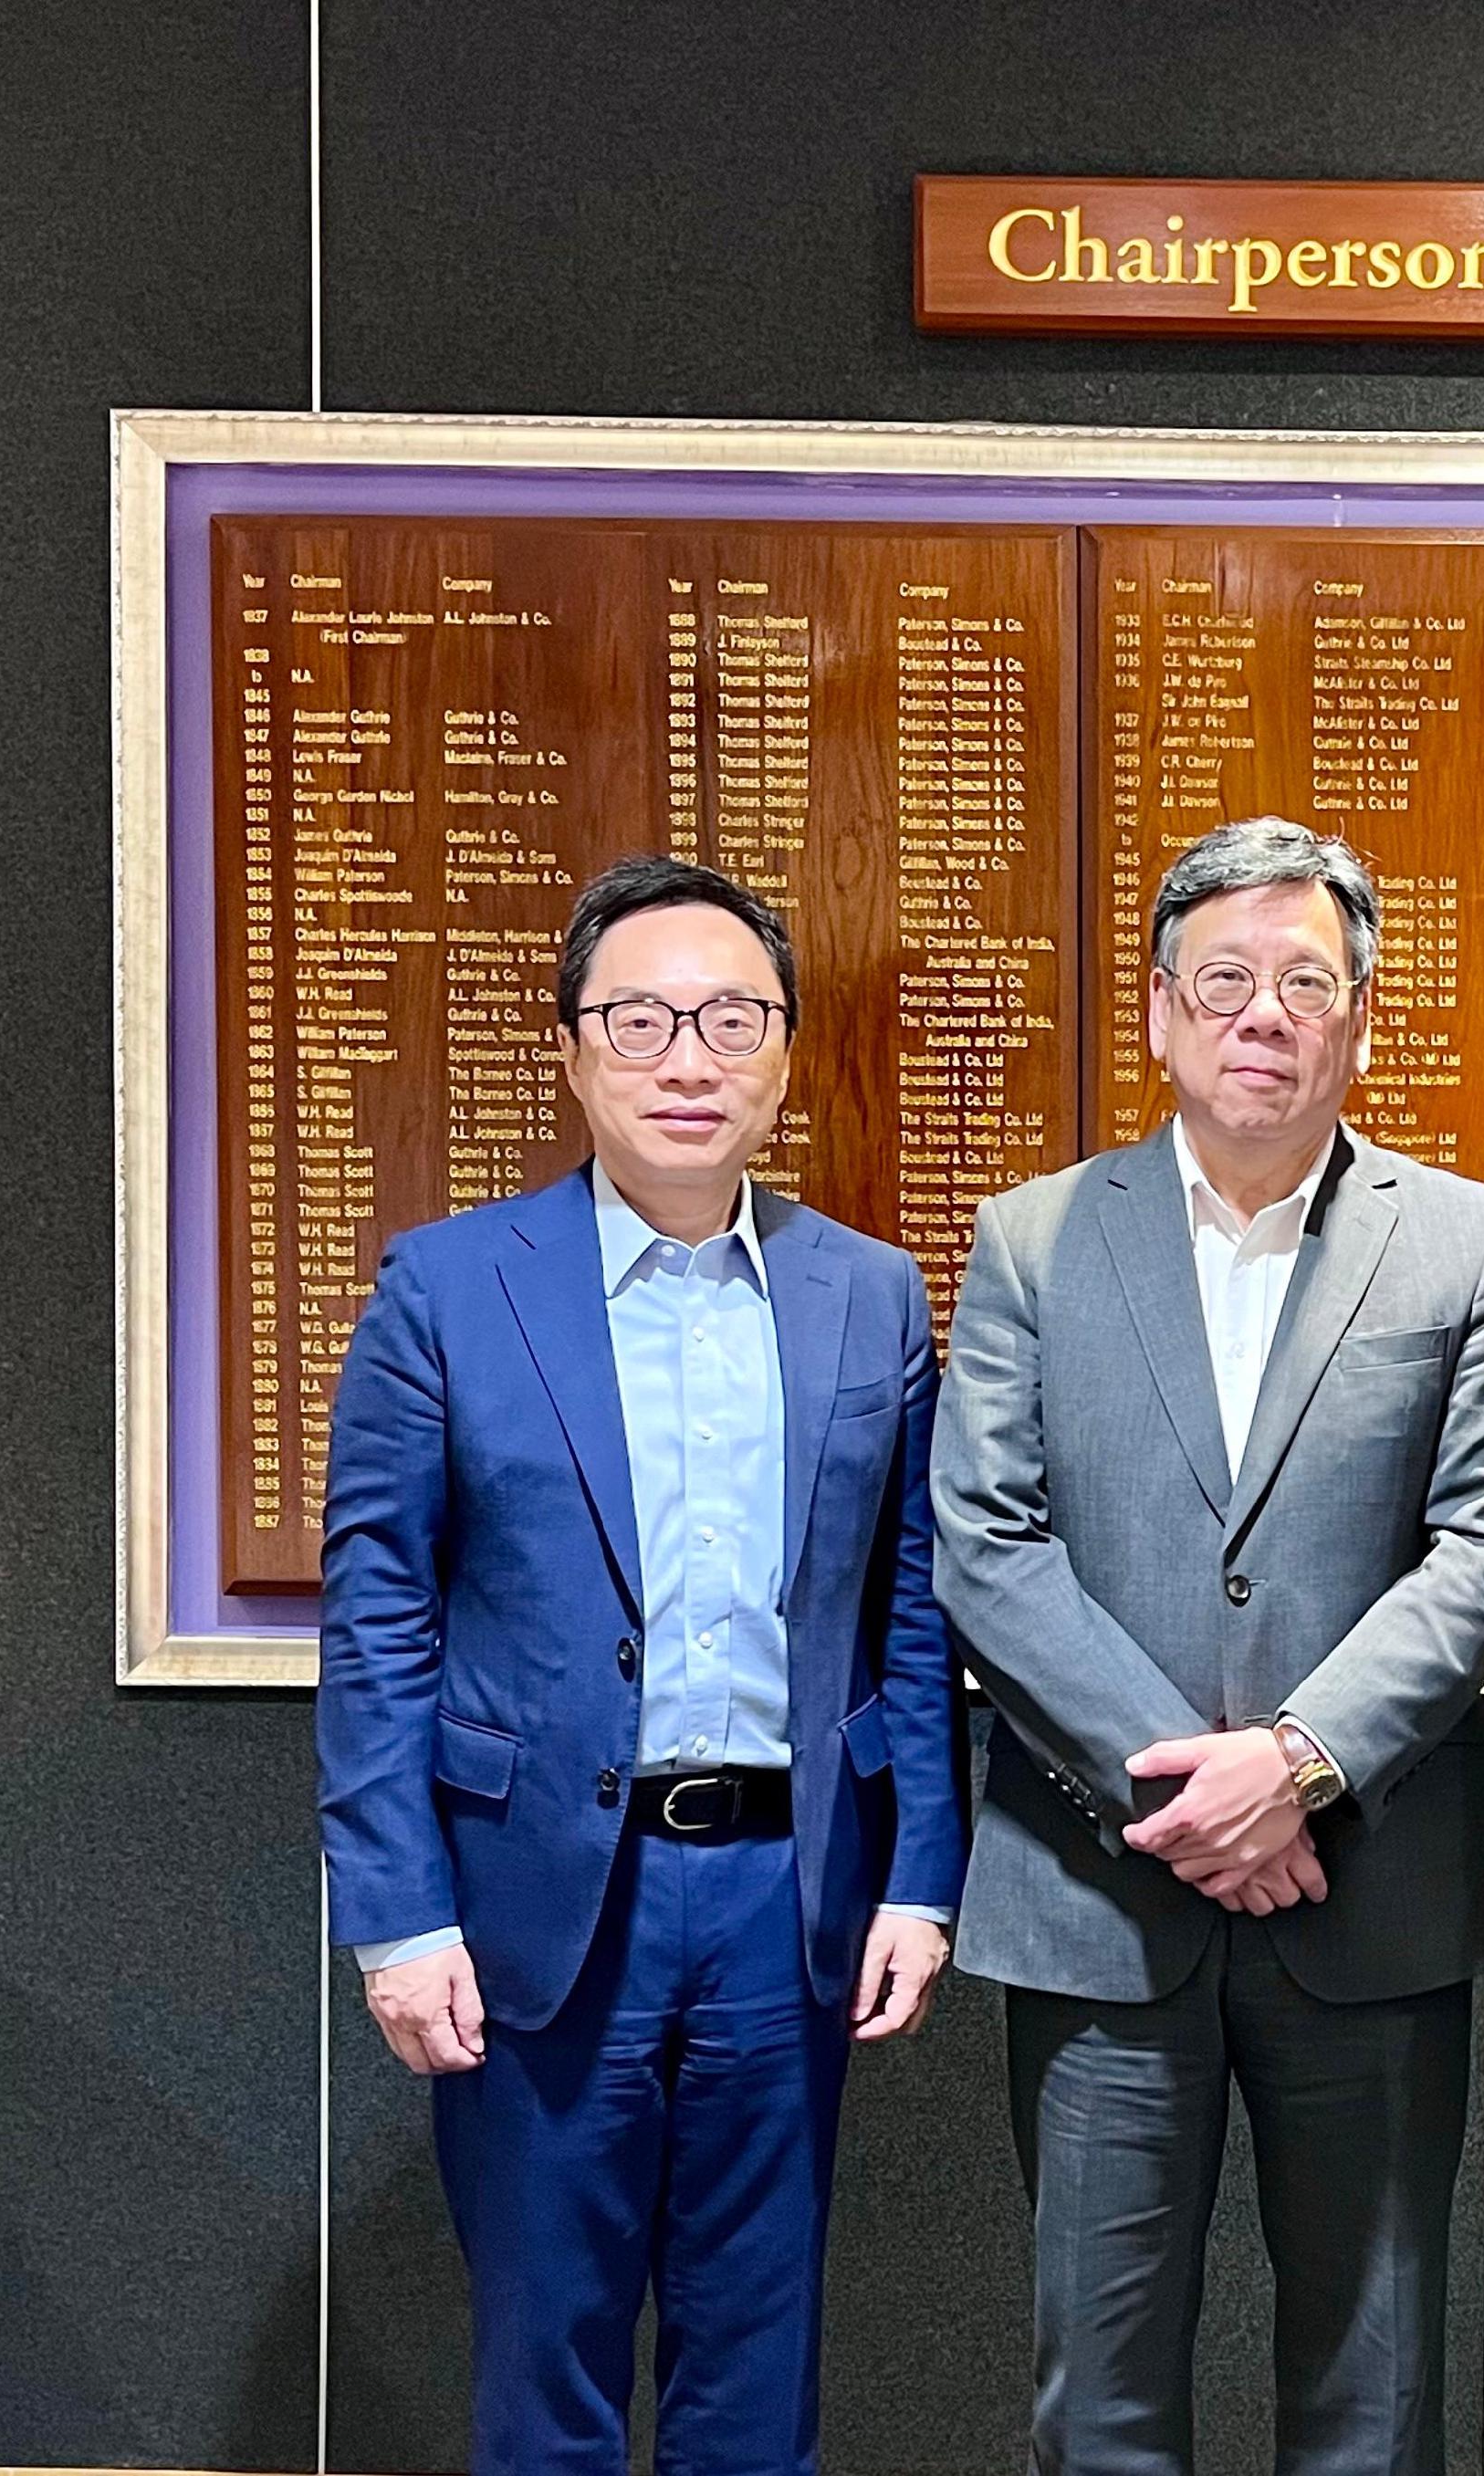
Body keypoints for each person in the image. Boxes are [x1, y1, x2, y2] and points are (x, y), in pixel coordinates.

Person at [316, 853, 967, 2476]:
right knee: (549, 2371)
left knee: (761, 2370)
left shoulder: (869, 1294)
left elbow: (914, 1600)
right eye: (643, 1017)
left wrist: (923, 1875)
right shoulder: (448, 1288)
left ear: (785, 1050)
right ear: (571, 1048)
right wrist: (396, 1914)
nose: (689, 1057)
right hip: (543, 1897)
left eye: (731, 1016)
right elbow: (378, 1614)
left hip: (785, 1896)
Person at [934, 814, 1484, 2476]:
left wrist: (1292, 1766)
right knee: (1101, 2398)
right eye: (1224, 979)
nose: (1263, 1012)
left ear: (1362, 1018)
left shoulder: (1467, 1242)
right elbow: (986, 1547)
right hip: (1098, 1903)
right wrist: (1192, 1793)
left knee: (1373, 2402)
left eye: (1306, 980)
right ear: (1156, 1012)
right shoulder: (1035, 1238)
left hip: (1374, 1898)